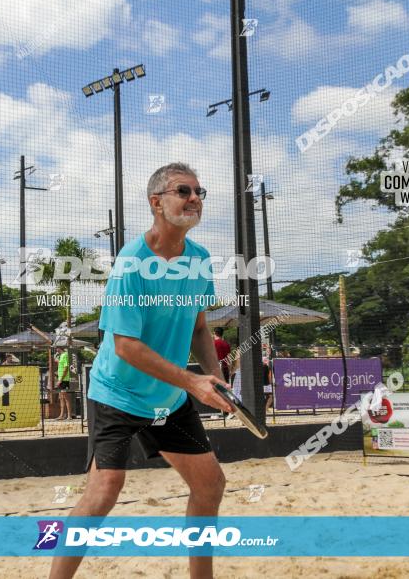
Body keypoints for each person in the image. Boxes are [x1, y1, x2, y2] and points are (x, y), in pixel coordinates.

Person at [49, 162, 234, 579]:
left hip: (167, 398)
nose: (194, 198)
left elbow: (200, 327)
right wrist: (192, 382)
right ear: (156, 202)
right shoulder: (132, 262)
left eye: (200, 191)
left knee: (210, 486)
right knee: (104, 491)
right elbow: (125, 346)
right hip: (119, 392)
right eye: (183, 190)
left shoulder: (200, 259)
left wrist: (215, 375)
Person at [55, 345, 73, 420]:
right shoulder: (61, 356)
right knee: (61, 397)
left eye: (56, 348)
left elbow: (66, 368)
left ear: (59, 348)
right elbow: (62, 365)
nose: (56, 349)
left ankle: (69, 415)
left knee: (66, 397)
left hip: (64, 380)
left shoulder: (65, 355)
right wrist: (57, 361)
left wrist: (60, 380)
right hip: (61, 379)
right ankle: (61, 415)